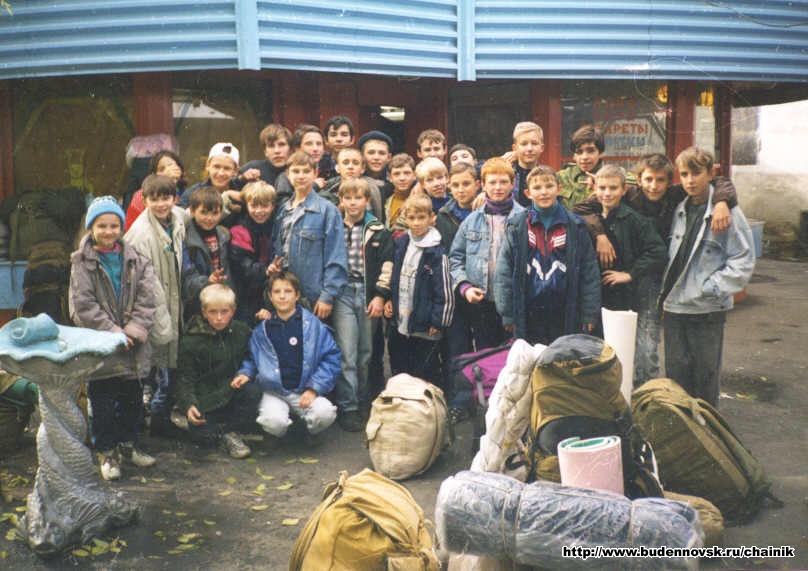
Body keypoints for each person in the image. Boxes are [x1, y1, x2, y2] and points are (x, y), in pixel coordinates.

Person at [573, 153, 738, 383]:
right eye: (648, 179)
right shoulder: (627, 193)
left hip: (656, 275)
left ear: (669, 182)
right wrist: (599, 234)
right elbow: (582, 207)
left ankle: (647, 390)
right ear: (639, 180)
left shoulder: (676, 193)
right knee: (618, 335)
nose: (653, 186)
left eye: (660, 180)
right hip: (626, 277)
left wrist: (721, 202)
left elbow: (719, 182)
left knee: (647, 339)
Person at [69, 196, 157, 480]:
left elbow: (148, 299)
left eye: (114, 225)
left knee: (132, 400)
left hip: (133, 345)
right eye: (102, 226)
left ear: (122, 227)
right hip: (102, 346)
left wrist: (133, 330)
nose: (108, 231)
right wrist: (113, 332)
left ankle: (129, 444)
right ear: (91, 228)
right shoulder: (82, 263)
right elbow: (83, 306)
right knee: (103, 403)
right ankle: (107, 452)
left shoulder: (136, 259)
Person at [660, 147, 755, 406]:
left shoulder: (727, 211)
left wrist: (711, 288)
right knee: (676, 378)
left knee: (705, 377)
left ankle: (705, 426)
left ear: (710, 173)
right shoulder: (678, 208)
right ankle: (682, 426)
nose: (690, 180)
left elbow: (743, 259)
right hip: (675, 306)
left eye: (696, 173)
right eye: (684, 174)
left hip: (707, 309)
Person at [494, 166, 601, 345]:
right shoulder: (517, 226)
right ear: (528, 193)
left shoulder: (575, 226)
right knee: (531, 357)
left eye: (549, 186)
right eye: (537, 188)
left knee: (561, 355)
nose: (543, 192)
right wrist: (507, 313)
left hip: (565, 310)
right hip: (528, 310)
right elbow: (504, 271)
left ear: (559, 189)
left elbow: (589, 271)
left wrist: (589, 313)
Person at [234, 272, 340, 440]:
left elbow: (331, 358)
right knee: (273, 422)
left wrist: (314, 388)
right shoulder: (262, 330)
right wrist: (245, 373)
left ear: (297, 295)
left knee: (325, 413)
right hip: (273, 391)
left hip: (303, 390)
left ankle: (307, 431)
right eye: (277, 292)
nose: (282, 296)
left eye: (288, 291)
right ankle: (285, 434)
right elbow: (253, 358)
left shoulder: (313, 325)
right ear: (270, 296)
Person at [124, 174, 186, 437]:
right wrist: (161, 321)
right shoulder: (140, 235)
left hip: (174, 302)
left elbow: (196, 214)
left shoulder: (178, 218)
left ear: (175, 199)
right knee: (150, 365)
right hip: (153, 308)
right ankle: (141, 425)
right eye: (154, 199)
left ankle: (161, 418)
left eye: (166, 198)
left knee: (170, 364)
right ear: (145, 200)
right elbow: (145, 284)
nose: (161, 204)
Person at [331, 178, 393, 431]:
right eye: (348, 198)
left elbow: (387, 265)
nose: (353, 203)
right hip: (343, 292)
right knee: (347, 352)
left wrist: (380, 295)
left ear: (367, 201)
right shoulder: (334, 225)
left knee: (365, 352)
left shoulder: (378, 230)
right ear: (341, 201)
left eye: (358, 198)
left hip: (367, 294)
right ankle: (348, 406)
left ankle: (363, 399)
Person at [176, 284, 260, 458]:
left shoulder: (241, 331)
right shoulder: (191, 340)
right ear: (204, 312)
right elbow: (185, 377)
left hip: (231, 391)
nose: (219, 318)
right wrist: (189, 404)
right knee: (203, 438)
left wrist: (246, 374)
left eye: (224, 312)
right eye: (213, 312)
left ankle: (231, 432)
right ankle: (220, 433)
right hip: (207, 398)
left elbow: (253, 357)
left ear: (233, 310)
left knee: (252, 391)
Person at [449, 157, 523, 352]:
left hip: (514, 302)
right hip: (482, 302)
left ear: (513, 183)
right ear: (482, 185)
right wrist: (465, 287)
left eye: (503, 182)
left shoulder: (525, 218)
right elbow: (455, 259)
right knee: (485, 354)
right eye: (492, 182)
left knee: (514, 355)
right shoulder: (471, 220)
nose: (498, 187)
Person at [383, 194, 453, 388]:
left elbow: (444, 290)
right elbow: (394, 277)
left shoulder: (436, 251)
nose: (416, 223)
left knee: (424, 370)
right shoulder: (401, 243)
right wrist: (389, 299)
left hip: (425, 324)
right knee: (400, 366)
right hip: (401, 319)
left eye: (421, 218)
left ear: (431, 218)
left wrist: (438, 321)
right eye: (411, 218)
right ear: (405, 218)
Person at [271, 151, 348, 321]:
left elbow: (336, 256)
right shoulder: (283, 211)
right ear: (288, 174)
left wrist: (327, 295)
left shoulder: (327, 211)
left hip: (314, 299)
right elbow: (277, 250)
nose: (301, 176)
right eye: (296, 171)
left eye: (306, 171)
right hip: (284, 296)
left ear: (315, 173)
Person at [181, 186, 233, 322]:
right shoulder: (186, 239)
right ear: (192, 211)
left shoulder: (223, 235)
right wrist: (207, 281)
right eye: (203, 213)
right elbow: (187, 277)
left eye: (215, 213)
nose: (209, 218)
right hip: (197, 303)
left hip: (221, 298)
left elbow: (227, 270)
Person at [230, 181, 277, 325]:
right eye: (254, 206)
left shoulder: (276, 225)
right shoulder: (240, 230)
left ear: (273, 206)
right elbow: (241, 263)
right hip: (246, 291)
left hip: (271, 288)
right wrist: (265, 270)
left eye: (264, 206)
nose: (259, 211)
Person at [557, 124, 635, 209]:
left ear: (601, 153)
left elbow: (636, 185)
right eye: (579, 152)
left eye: (590, 151)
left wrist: (603, 183)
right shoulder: (562, 177)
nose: (584, 157)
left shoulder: (615, 173)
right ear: (574, 155)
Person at [178, 143, 243, 224]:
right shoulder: (193, 192)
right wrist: (225, 197)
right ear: (208, 165)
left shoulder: (240, 192)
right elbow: (178, 220)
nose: (221, 173)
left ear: (235, 171)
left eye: (227, 168)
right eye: (216, 167)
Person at [125, 150, 187, 232]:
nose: (168, 172)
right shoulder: (141, 195)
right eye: (162, 169)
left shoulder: (185, 194)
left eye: (172, 166)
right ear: (153, 174)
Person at [318, 147, 383, 220]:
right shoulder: (327, 190)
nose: (350, 167)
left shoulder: (372, 189)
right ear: (337, 168)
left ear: (362, 169)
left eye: (355, 163)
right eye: (345, 163)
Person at [436, 161, 479, 250]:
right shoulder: (444, 215)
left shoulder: (486, 211)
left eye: (466, 184)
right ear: (450, 187)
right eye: (455, 185)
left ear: (477, 185)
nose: (460, 190)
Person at [235, 123, 293, 190]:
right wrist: (242, 179)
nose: (276, 151)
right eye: (271, 146)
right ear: (265, 152)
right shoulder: (252, 167)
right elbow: (230, 186)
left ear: (290, 149)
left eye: (281, 144)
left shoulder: (299, 170)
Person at [509, 121, 544, 207]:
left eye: (534, 143)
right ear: (515, 148)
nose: (529, 148)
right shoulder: (507, 175)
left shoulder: (548, 176)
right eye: (524, 144)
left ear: (542, 148)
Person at [385, 153, 417, 238]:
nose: (402, 178)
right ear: (390, 177)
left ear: (414, 175)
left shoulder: (421, 200)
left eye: (407, 173)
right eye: (396, 174)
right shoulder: (386, 202)